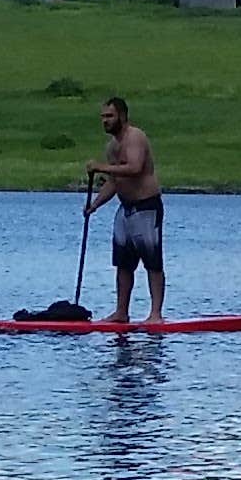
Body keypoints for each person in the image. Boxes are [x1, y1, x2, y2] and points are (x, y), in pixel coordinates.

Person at [84, 95, 162, 324]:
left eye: (109, 116)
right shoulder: (112, 147)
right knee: (123, 263)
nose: (105, 121)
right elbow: (114, 181)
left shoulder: (135, 137)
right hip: (125, 208)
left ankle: (155, 314)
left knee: (152, 261)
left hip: (147, 207)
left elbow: (135, 167)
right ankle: (121, 312)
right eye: (103, 117)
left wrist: (100, 167)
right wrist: (94, 205)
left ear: (123, 116)